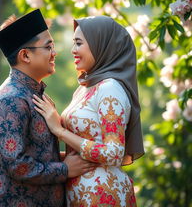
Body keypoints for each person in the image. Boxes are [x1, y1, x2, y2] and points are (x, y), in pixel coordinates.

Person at [0, 9, 98, 207]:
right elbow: (17, 165)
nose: (54, 53)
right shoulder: (10, 101)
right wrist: (65, 169)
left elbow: (39, 154)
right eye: (48, 47)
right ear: (26, 55)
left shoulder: (37, 95)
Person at [33, 15, 145, 206]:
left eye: (78, 43)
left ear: (100, 45)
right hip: (79, 194)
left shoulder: (110, 89)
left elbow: (114, 153)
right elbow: (79, 148)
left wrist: (60, 131)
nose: (72, 50)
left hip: (103, 195)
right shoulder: (85, 88)